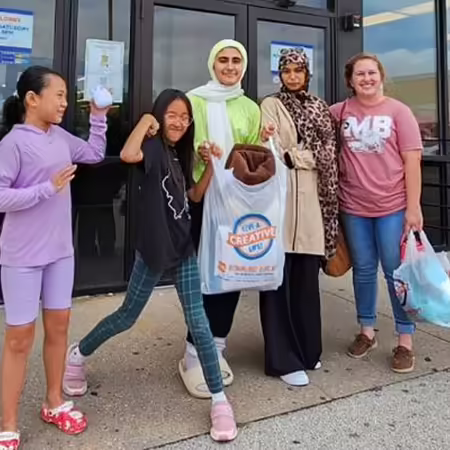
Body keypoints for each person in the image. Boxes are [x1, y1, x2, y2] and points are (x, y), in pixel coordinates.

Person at [63, 89, 238, 442]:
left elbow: (194, 196)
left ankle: (220, 401)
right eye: (171, 115)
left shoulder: (176, 154)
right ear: (160, 116)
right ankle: (77, 354)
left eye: (184, 117)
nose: (178, 122)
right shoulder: (154, 149)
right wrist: (146, 120)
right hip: (154, 252)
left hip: (183, 250)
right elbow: (128, 153)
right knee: (127, 315)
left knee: (199, 323)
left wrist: (213, 167)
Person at [0, 66, 109, 450]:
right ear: (32, 99)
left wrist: (98, 117)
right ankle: (8, 421)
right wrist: (46, 189)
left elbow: (95, 153)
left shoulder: (60, 137)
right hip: (22, 256)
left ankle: (54, 401)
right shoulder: (13, 143)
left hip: (61, 253)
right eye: (58, 95)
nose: (65, 102)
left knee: (59, 328)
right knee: (18, 339)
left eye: (66, 95)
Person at [178, 39, 269, 398]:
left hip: (237, 202)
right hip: (201, 199)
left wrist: (264, 145)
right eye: (223, 60)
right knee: (200, 277)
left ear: (243, 67)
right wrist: (200, 151)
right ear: (211, 64)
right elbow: (180, 141)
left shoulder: (249, 107)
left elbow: (252, 154)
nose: (230, 67)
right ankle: (191, 352)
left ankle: (216, 347)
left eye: (236, 61)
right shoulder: (193, 100)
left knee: (230, 275)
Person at [329, 52, 423, 373]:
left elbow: (412, 161)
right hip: (353, 207)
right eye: (360, 74)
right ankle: (367, 331)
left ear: (381, 76)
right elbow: (309, 124)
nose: (366, 79)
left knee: (396, 273)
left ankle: (405, 339)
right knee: (364, 270)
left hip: (392, 207)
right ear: (350, 81)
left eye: (372, 73)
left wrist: (414, 207)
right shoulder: (339, 112)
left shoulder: (399, 112)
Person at [259, 48, 339, 386]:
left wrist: (299, 155)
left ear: (307, 74)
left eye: (298, 70)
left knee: (306, 282)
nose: (292, 76)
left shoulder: (320, 107)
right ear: (280, 75)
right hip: (282, 202)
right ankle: (281, 359)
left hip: (314, 207)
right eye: (286, 71)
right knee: (277, 283)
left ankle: (308, 351)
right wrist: (301, 155)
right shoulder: (270, 105)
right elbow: (274, 151)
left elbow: (329, 152)